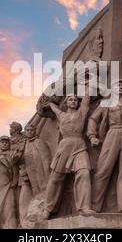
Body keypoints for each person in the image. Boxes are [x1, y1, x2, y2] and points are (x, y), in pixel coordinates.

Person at [87, 80, 122, 214]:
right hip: (113, 132)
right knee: (103, 169)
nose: (121, 88)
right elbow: (93, 119)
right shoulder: (106, 102)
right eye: (118, 86)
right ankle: (93, 206)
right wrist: (92, 136)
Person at [41, 91, 95, 220]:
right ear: (66, 103)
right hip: (64, 147)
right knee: (55, 178)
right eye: (70, 100)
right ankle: (47, 209)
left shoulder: (81, 113)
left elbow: (86, 100)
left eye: (75, 100)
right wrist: (48, 103)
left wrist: (88, 85)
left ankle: (84, 207)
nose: (73, 101)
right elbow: (53, 108)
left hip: (79, 146)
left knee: (84, 173)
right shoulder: (61, 115)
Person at [18, 124, 51, 224]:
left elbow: (46, 159)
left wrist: (48, 174)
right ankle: (38, 213)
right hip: (31, 172)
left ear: (35, 131)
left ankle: (46, 212)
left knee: (44, 189)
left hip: (41, 171)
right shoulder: (25, 145)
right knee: (36, 191)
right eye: (27, 130)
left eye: (31, 130)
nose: (29, 131)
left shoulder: (39, 142)